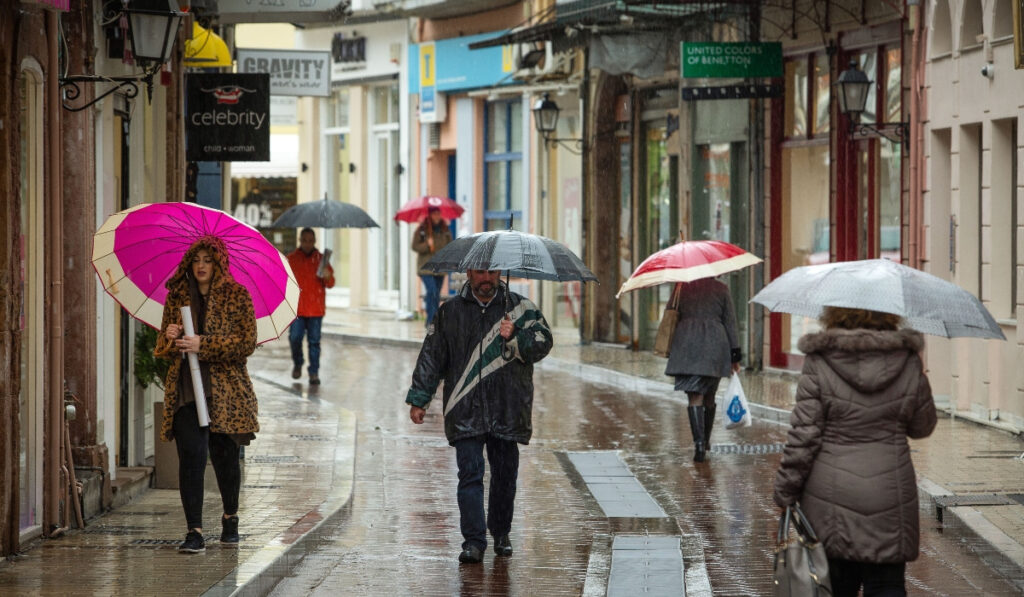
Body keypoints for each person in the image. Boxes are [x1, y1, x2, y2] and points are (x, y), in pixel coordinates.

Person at [773, 307, 937, 597]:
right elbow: (922, 426)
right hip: (890, 492)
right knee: (887, 586)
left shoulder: (820, 360)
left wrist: (786, 491)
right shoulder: (907, 358)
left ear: (834, 314)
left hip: (830, 498)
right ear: (888, 314)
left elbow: (804, 435)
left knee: (836, 587)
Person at [405, 269, 553, 564]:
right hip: (465, 405)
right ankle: (473, 541)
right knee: (469, 474)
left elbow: (544, 342)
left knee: (504, 476)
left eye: (491, 272)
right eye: (480, 272)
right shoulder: (450, 312)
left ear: (499, 273)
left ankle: (500, 532)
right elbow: (432, 355)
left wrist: (518, 336)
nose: (486, 278)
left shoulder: (520, 308)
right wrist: (420, 398)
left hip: (507, 406)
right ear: (469, 273)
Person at [154, 236, 259, 554]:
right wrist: (171, 337)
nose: (201, 265)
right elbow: (162, 346)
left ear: (219, 263)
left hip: (225, 392)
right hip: (187, 388)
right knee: (192, 457)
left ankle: (230, 518)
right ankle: (194, 531)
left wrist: (204, 344)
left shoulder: (237, 295)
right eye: (196, 259)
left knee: (225, 457)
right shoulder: (177, 296)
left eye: (208, 259)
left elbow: (246, 343)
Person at [664, 277, 741, 462]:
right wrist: (735, 355)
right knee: (710, 395)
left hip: (687, 345)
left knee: (694, 396)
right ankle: (705, 440)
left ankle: (699, 445)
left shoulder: (681, 288)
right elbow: (730, 321)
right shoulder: (722, 288)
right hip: (715, 346)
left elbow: (670, 313)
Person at [287, 227, 334, 385]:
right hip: (297, 309)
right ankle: (298, 363)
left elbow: (331, 283)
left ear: (314, 241)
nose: (307, 244)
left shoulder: (322, 260)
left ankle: (314, 372)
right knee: (295, 338)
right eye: (304, 240)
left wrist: (328, 277)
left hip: (315, 309)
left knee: (314, 342)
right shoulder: (291, 259)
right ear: (300, 241)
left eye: (310, 240)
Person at [411, 207, 452, 326]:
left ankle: (432, 318)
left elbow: (450, 245)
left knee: (435, 294)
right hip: (426, 267)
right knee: (432, 291)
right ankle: (432, 320)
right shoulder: (422, 229)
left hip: (439, 267)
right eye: (434, 214)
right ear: (430, 215)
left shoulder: (445, 229)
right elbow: (414, 246)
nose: (437, 216)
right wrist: (427, 245)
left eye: (438, 214)